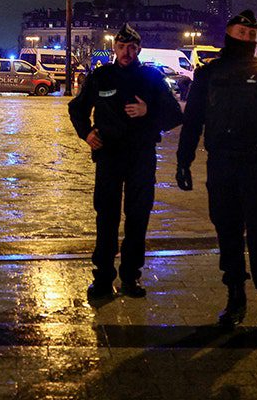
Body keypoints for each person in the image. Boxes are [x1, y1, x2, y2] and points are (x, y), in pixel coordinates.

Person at [176, 10, 257, 336]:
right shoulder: (208, 74)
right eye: (240, 32)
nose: (246, 38)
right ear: (229, 33)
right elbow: (192, 121)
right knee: (227, 235)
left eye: (251, 35)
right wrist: (183, 160)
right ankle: (235, 298)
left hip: (256, 163)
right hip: (221, 164)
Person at [69, 24, 184, 303]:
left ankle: (131, 275)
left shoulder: (152, 78)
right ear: (114, 49)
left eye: (132, 48)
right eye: (121, 47)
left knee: (137, 216)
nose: (126, 53)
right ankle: (103, 277)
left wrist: (149, 111)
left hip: (141, 155)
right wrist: (86, 133)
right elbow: (77, 108)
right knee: (106, 216)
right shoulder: (101, 76)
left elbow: (174, 115)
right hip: (109, 155)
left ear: (139, 49)